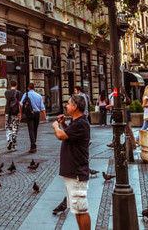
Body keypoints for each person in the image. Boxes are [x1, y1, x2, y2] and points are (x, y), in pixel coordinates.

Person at [52, 94, 92, 230]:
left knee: (81, 209)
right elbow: (70, 134)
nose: (66, 106)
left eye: (68, 104)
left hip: (77, 172)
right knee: (76, 208)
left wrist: (56, 126)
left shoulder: (81, 123)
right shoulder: (77, 122)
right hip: (73, 171)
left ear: (75, 107)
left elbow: (60, 135)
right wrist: (63, 124)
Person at [21, 83, 46, 154]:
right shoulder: (39, 95)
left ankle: (33, 145)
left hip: (29, 114)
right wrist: (44, 117)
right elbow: (42, 107)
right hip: (37, 114)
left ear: (28, 88)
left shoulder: (26, 94)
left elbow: (21, 104)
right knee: (35, 129)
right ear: (34, 88)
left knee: (31, 130)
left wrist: (21, 112)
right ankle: (33, 144)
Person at [4, 81, 23, 151]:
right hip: (15, 112)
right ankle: (13, 143)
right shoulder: (18, 93)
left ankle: (9, 140)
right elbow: (19, 104)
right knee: (15, 127)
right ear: (16, 85)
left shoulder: (6, 92)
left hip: (7, 112)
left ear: (10, 85)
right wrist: (20, 113)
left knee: (8, 127)